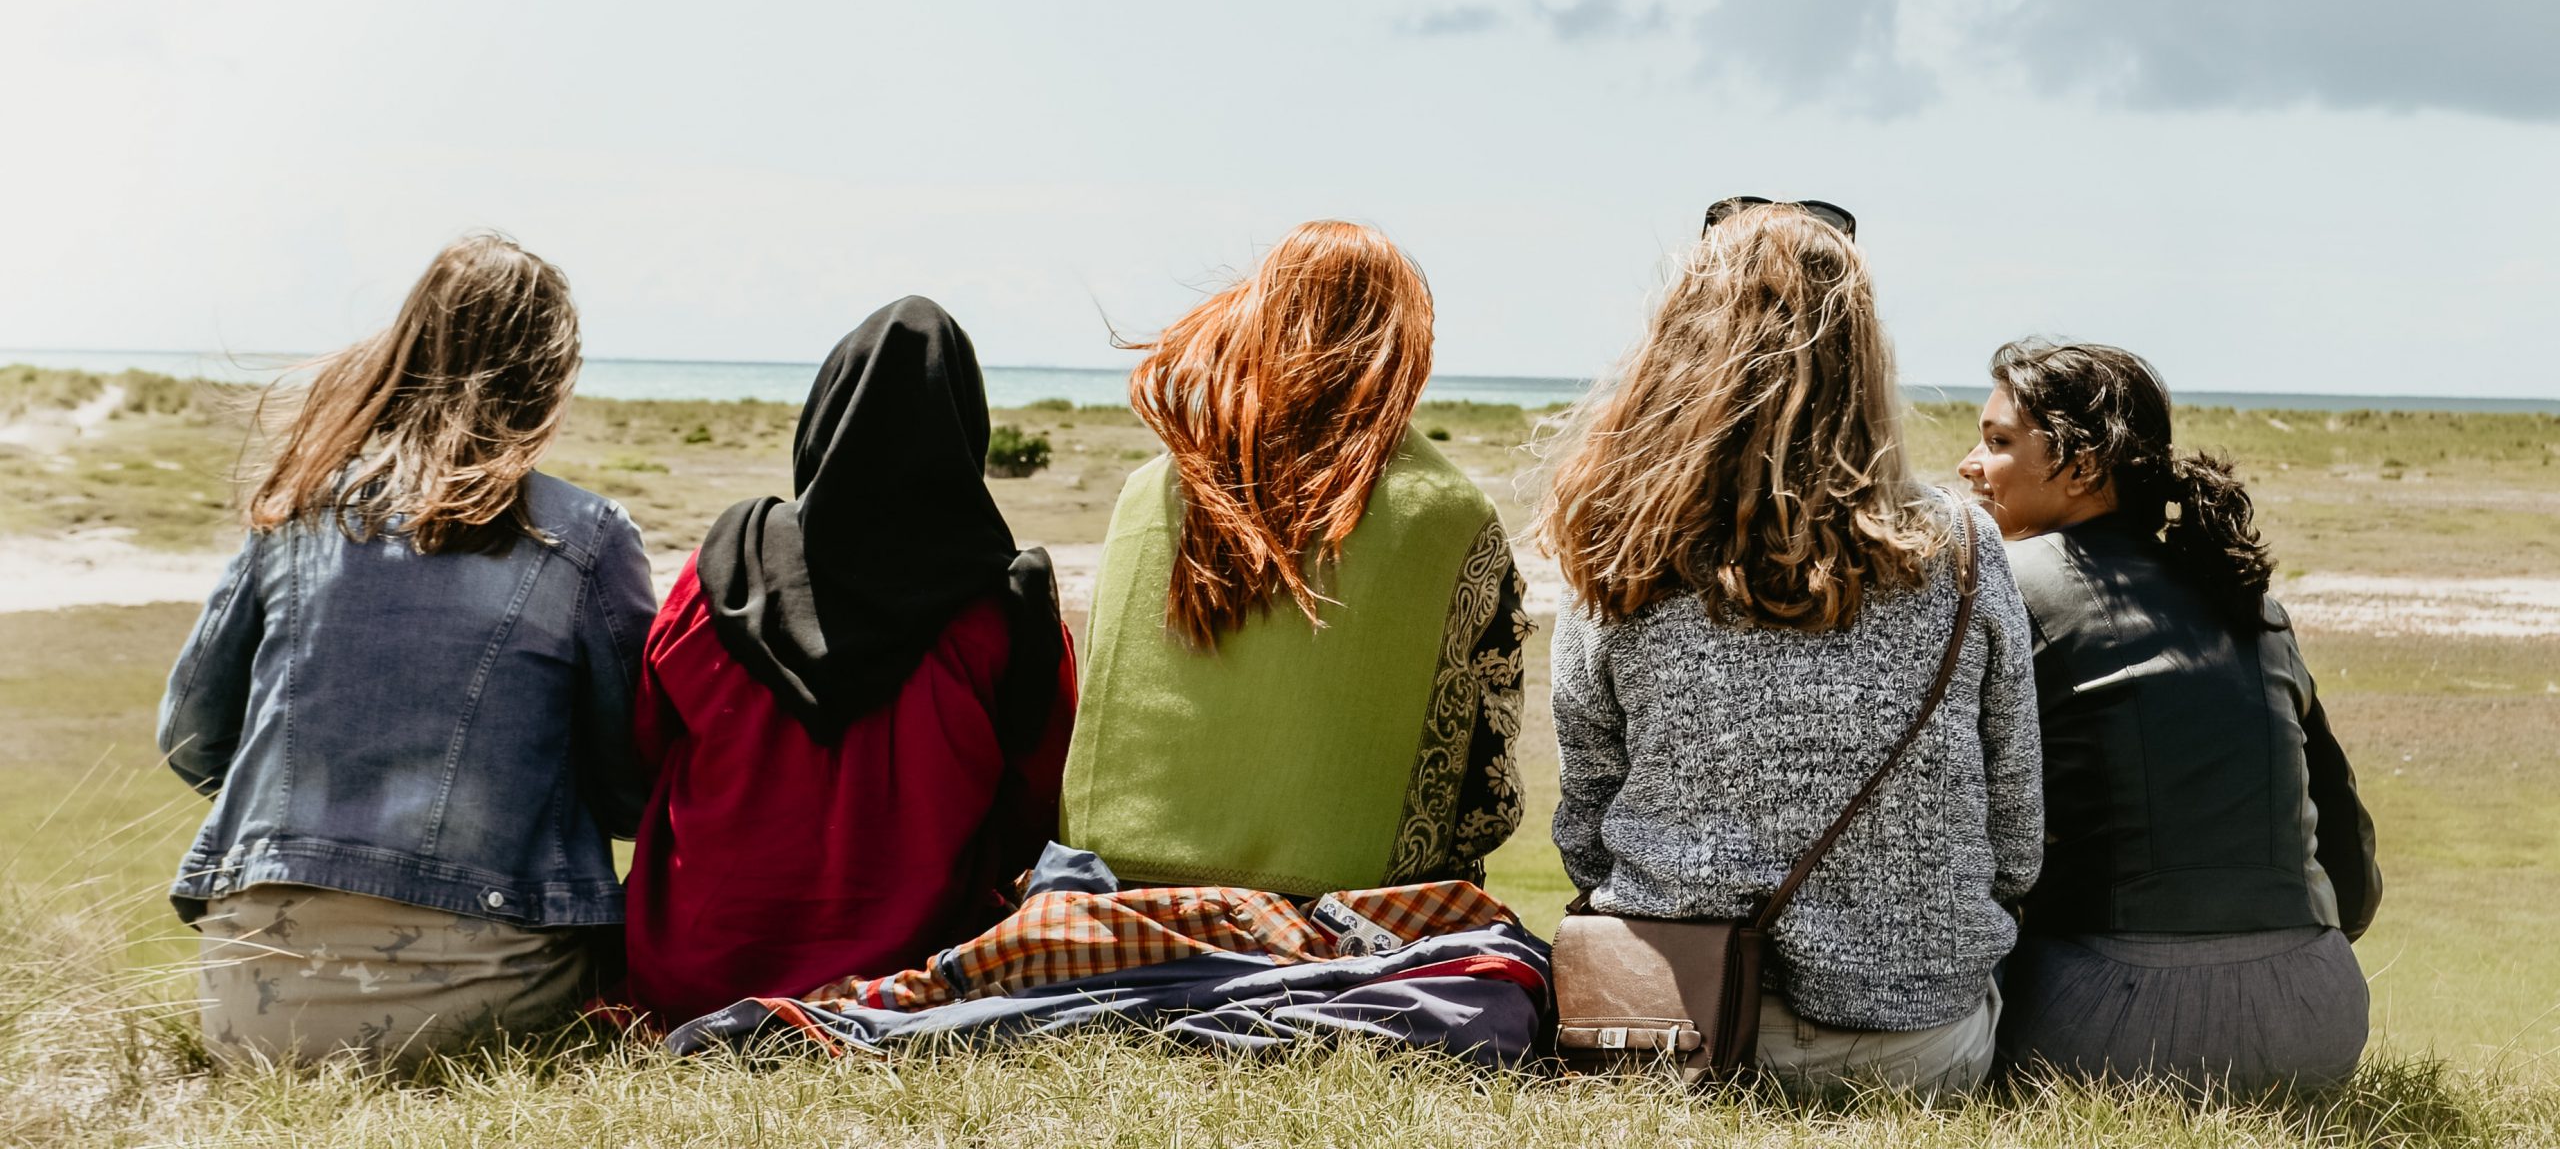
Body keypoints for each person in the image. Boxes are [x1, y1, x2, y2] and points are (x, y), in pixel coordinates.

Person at [1540, 203, 2041, 1095]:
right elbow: (2017, 835)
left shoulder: (1617, 541)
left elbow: (1587, 823)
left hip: (1670, 1019)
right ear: (1866, 356)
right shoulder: (1963, 544)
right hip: (1914, 1041)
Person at [157, 233, 651, 1067]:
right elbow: (634, 785)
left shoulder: (299, 512)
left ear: (407, 348)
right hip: (484, 1001)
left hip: (253, 1008)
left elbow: (191, 738)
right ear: (547, 379)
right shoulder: (586, 537)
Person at [622, 297, 1078, 1027]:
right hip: (910, 973)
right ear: (967, 432)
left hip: (689, 974)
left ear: (821, 419)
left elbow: (645, 753)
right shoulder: (1006, 608)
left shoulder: (724, 572)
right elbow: (1041, 810)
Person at [1959, 339, 2381, 1094]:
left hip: (2107, 1031)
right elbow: (2349, 858)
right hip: (2320, 1019)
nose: (1969, 465)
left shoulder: (1999, 580)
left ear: (2083, 465)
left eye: (1996, 443)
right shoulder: (2249, 600)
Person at [1060, 221, 1528, 897]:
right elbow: (1487, 805)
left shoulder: (1146, 494)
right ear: (1404, 349)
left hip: (1114, 890)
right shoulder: (1449, 514)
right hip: (1347, 905)